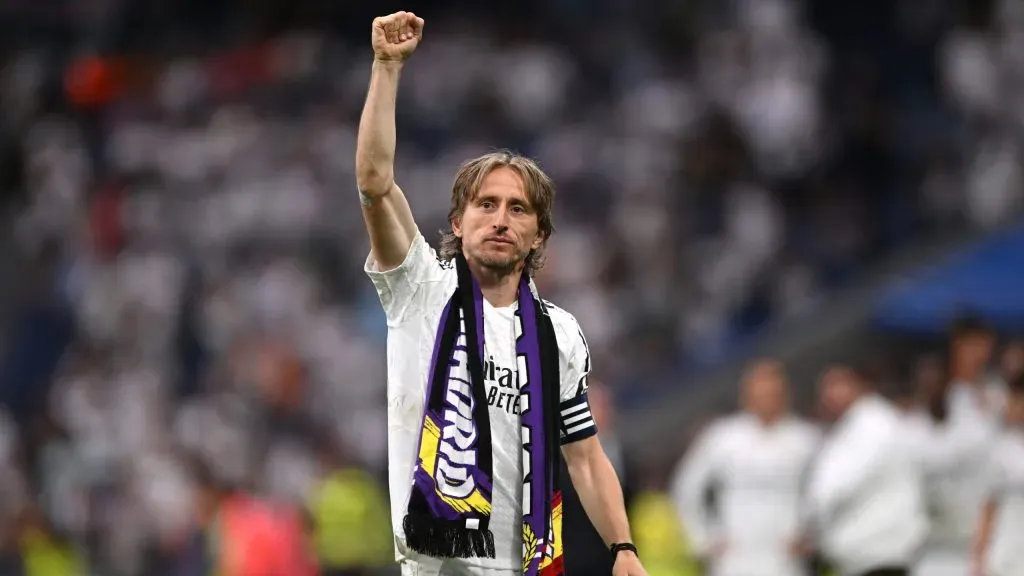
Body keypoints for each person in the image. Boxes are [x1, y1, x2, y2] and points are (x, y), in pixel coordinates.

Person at [356, 11, 647, 576]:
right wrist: (387, 68)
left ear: (538, 234)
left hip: (526, 564)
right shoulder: (420, 287)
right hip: (438, 564)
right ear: (458, 222)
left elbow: (584, 456)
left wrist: (624, 548)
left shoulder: (557, 333)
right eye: (485, 205)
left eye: (518, 209)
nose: (500, 219)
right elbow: (373, 182)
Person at [669, 359, 820, 576]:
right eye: (760, 393)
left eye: (772, 393)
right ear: (746, 395)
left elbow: (825, 493)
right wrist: (702, 539)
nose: (766, 400)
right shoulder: (722, 436)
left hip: (786, 557)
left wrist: (812, 536)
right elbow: (686, 487)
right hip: (735, 559)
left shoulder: (806, 438)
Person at [805, 365, 927, 576]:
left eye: (837, 385)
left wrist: (810, 525)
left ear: (859, 385)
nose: (828, 395)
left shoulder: (872, 424)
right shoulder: (856, 424)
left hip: (877, 555)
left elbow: (834, 488)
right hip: (866, 557)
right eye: (825, 388)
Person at [971, 372, 1024, 576]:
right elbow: (987, 508)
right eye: (1013, 399)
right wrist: (977, 560)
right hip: (1003, 559)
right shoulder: (1001, 450)